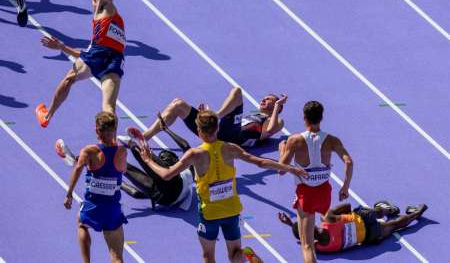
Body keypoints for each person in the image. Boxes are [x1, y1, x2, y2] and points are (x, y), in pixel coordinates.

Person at [135, 110, 308, 263]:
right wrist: (289, 167)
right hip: (232, 210)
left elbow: (166, 175)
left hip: (209, 214)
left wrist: (148, 159)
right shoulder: (230, 148)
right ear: (217, 128)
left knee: (208, 257)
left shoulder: (195, 154)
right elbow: (261, 162)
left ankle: (243, 254)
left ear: (199, 131)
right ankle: (245, 254)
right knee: (234, 254)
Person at [35, 0, 139, 128]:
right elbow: (86, 54)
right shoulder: (112, 21)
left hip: (99, 54)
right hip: (114, 59)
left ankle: (47, 115)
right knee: (109, 107)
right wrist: (62, 47)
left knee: (69, 78)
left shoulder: (103, 5)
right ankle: (113, 142)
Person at [56, 113, 195, 211]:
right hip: (164, 198)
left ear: (175, 159)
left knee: (156, 168)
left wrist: (167, 130)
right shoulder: (190, 171)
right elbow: (136, 193)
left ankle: (135, 146)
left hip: (170, 190)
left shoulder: (187, 167)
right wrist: (115, 182)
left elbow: (186, 146)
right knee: (121, 167)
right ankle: (133, 146)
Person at [279, 101, 353, 263]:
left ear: (304, 119)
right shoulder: (332, 140)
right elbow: (348, 162)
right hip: (324, 192)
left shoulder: (295, 140)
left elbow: (281, 170)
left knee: (307, 246)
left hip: (306, 194)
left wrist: (282, 150)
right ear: (321, 118)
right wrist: (345, 187)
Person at [64, 112, 128, 263]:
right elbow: (122, 170)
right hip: (112, 209)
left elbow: (78, 168)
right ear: (115, 129)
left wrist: (69, 194)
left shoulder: (89, 151)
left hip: (92, 207)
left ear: (97, 131)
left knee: (81, 223)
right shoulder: (122, 152)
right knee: (117, 257)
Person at [128, 87, 287, 148]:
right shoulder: (252, 115)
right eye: (264, 98)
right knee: (178, 104)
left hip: (234, 138)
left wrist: (277, 109)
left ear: (277, 106)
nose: (263, 100)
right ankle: (144, 138)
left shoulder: (277, 121)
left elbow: (271, 129)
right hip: (220, 131)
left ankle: (215, 116)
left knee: (237, 92)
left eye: (269, 100)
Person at [278, 201, 428, 252]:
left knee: (396, 225)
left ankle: (417, 212)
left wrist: (291, 224)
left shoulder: (321, 248)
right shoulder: (328, 219)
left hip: (370, 235)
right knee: (371, 211)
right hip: (364, 217)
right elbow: (348, 205)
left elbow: (305, 241)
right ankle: (386, 209)